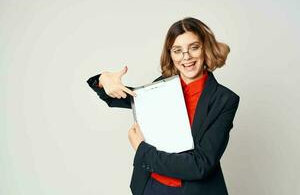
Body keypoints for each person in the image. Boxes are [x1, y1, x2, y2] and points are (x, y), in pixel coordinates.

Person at [87, 17, 240, 195]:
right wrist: (103, 80)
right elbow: (124, 96)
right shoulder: (164, 86)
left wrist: (142, 150)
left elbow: (200, 165)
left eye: (194, 47)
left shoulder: (224, 100)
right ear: (170, 54)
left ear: (204, 48)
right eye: (177, 50)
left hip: (193, 191)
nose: (186, 57)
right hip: (152, 187)